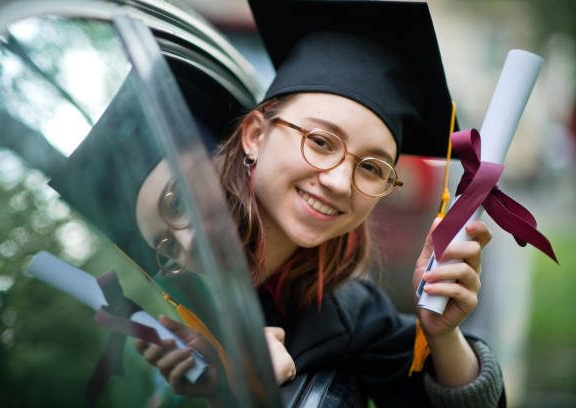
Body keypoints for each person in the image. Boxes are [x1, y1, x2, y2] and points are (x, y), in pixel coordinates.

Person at [133, 0, 506, 406]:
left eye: (371, 167)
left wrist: (443, 334)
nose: (340, 182)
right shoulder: (140, 230)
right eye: (321, 142)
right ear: (255, 134)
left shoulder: (346, 311)